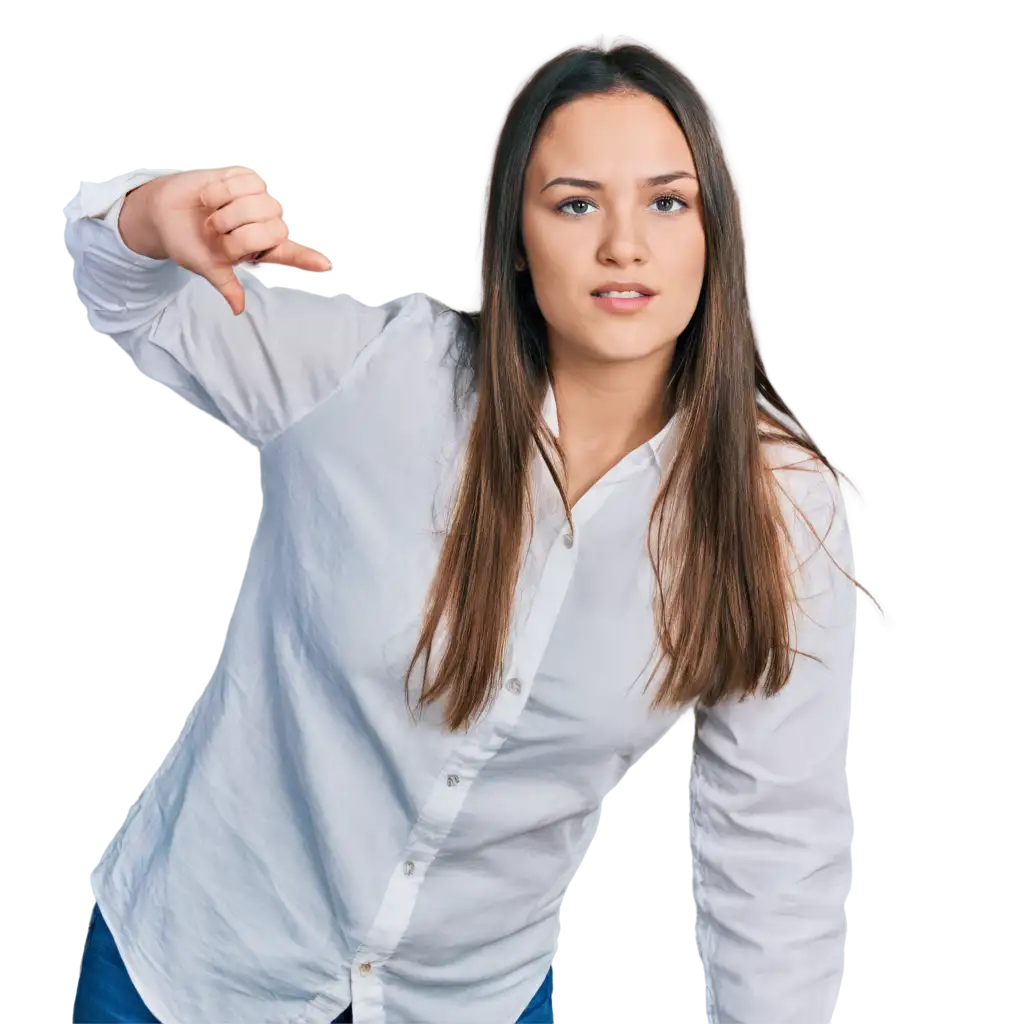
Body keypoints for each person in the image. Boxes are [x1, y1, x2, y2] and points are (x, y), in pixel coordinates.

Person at [60, 39, 859, 1024]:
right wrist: (147, 214)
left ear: (713, 233)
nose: (624, 245)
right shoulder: (374, 375)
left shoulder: (778, 509)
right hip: (197, 975)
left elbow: (773, 846)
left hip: (467, 1000)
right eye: (575, 202)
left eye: (666, 201)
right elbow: (124, 301)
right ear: (515, 238)